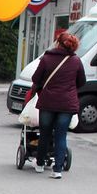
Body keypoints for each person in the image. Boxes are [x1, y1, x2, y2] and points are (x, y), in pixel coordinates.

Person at [31, 30, 86, 179]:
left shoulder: (47, 58)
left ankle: (40, 164)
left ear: (58, 43)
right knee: (61, 136)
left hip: (48, 102)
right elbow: (82, 82)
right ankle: (57, 170)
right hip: (66, 105)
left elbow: (36, 78)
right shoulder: (76, 61)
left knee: (45, 134)